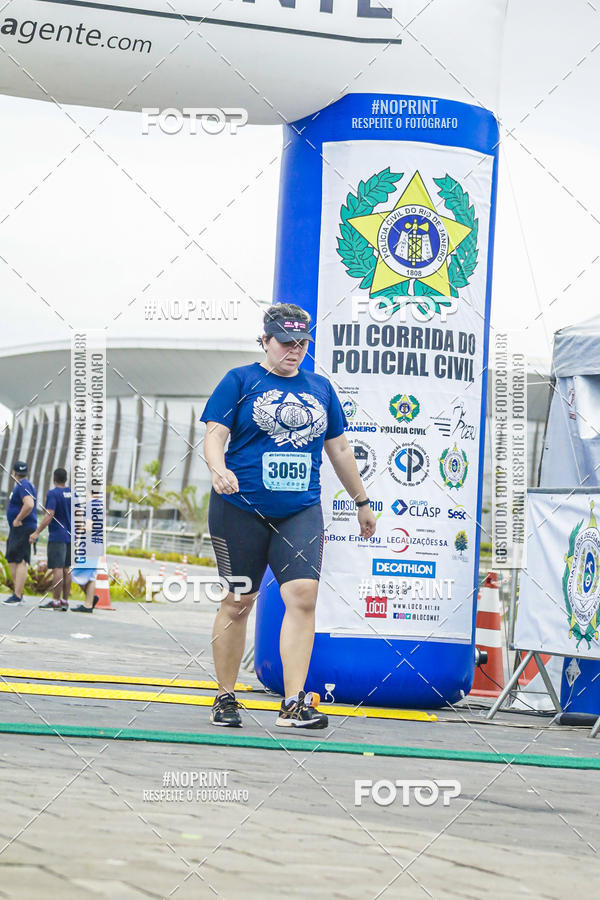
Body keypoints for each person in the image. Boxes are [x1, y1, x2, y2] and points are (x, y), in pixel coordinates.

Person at [200, 303, 377, 729]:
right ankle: (226, 696)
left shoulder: (320, 388)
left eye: (301, 344)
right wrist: (217, 468)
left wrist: (361, 500)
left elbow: (339, 448)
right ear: (265, 341)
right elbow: (214, 434)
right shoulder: (239, 380)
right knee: (239, 601)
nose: (293, 351)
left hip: (299, 510)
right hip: (239, 508)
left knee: (302, 596)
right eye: (285, 343)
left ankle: (294, 702)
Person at [29, 467, 72, 611]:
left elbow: (50, 514)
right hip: (70, 535)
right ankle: (65, 601)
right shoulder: (72, 493)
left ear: (54, 478)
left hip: (58, 535)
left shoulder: (53, 494)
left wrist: (37, 532)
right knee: (66, 568)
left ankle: (55, 601)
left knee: (58, 568)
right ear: (65, 479)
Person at [3, 461, 37, 605]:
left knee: (20, 559)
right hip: (17, 529)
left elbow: (29, 504)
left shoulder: (23, 485)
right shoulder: (23, 485)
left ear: (14, 473)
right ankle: (18, 592)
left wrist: (17, 519)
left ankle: (17, 596)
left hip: (23, 527)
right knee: (11, 557)